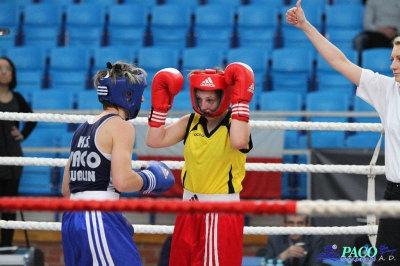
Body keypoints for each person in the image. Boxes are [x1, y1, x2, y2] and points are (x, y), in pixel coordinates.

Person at [286, 0, 400, 265]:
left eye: (399, 59)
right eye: (392, 58)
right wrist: (305, 25)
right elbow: (339, 60)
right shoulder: (387, 90)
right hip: (394, 195)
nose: (393, 64)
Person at [60, 61, 175, 266]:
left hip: (72, 220)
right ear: (127, 94)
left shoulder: (81, 129)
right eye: (139, 93)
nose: (141, 99)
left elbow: (66, 189)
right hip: (97, 217)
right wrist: (150, 178)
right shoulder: (120, 126)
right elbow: (122, 182)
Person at [146, 64, 254, 265]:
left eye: (210, 100)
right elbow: (154, 141)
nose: (204, 106)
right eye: (199, 99)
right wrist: (160, 107)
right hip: (188, 209)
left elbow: (239, 142)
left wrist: (240, 101)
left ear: (226, 95)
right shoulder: (191, 121)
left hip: (220, 212)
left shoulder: (236, 123)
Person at [0, 56, 37, 247]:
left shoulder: (18, 98)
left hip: (13, 159)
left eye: (8, 68)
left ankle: (5, 246)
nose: (4, 71)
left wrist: (21, 134)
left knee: (9, 207)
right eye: (0, 68)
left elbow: (32, 120)